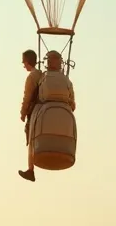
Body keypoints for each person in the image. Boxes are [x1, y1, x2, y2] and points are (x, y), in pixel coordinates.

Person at [18, 49, 75, 182]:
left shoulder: (36, 76)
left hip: (42, 110)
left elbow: (27, 97)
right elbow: (72, 103)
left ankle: (30, 169)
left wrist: (23, 113)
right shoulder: (66, 80)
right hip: (65, 115)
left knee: (31, 133)